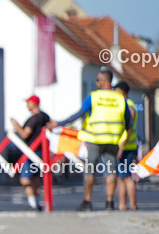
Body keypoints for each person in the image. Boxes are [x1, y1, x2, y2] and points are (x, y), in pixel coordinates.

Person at [48, 67, 130, 211]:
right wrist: (121, 137)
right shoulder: (120, 99)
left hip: (94, 139)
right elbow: (128, 121)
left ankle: (87, 202)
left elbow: (78, 115)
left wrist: (58, 123)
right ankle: (110, 202)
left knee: (90, 170)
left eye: (98, 80)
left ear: (104, 81)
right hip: (112, 140)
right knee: (111, 171)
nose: (96, 82)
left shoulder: (93, 97)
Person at [9, 95, 51, 211]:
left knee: (25, 179)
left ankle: (32, 204)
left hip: (32, 151)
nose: (27, 105)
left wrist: (15, 125)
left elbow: (25, 134)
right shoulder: (45, 116)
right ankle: (37, 203)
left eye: (28, 102)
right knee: (35, 179)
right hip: (43, 151)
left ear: (34, 103)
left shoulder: (34, 119)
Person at [113, 81, 138, 210]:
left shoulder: (128, 105)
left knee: (127, 177)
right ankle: (122, 205)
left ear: (122, 92)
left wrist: (122, 145)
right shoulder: (126, 104)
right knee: (120, 177)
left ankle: (132, 205)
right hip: (124, 145)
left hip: (126, 146)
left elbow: (129, 127)